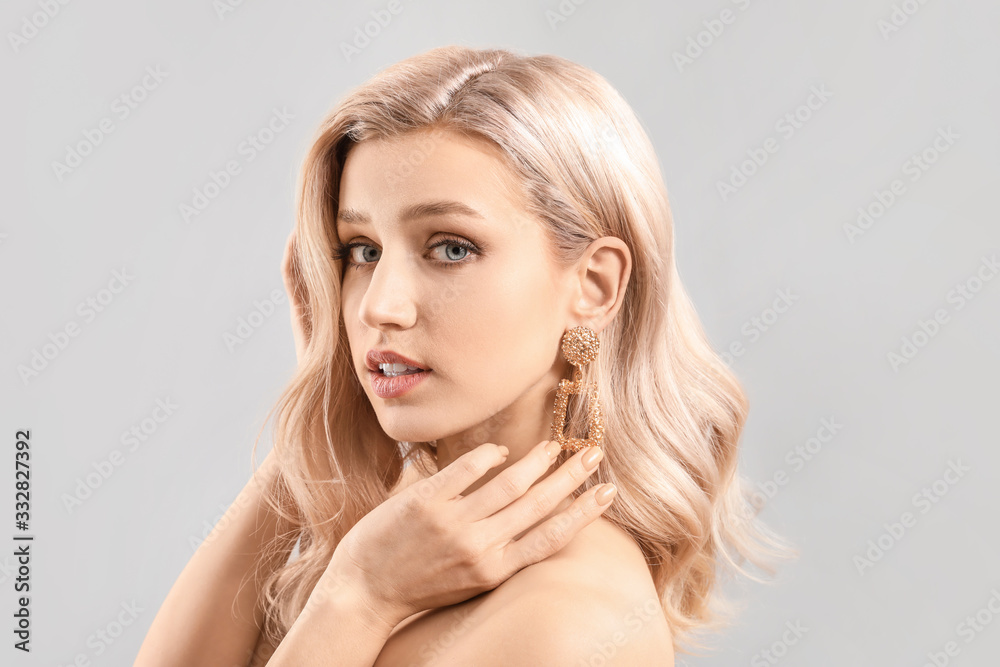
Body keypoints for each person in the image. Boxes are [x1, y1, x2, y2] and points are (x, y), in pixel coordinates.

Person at [136, 45, 795, 667]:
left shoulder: (564, 623)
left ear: (593, 285)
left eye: (450, 247)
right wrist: (328, 392)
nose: (379, 307)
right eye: (363, 250)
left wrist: (358, 596)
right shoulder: (406, 548)